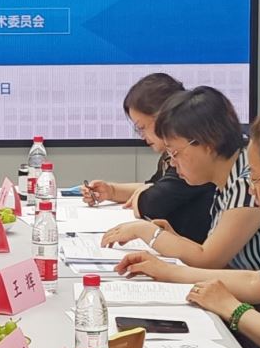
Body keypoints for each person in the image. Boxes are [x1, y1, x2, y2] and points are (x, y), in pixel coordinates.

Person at [112, 106, 260, 348]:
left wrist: (231, 307)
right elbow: (258, 281)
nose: (251, 189)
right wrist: (167, 271)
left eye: (256, 178)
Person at [99, 85, 260, 271]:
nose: (172, 163)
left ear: (208, 143)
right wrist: (173, 239)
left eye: (175, 153)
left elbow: (209, 260)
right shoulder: (225, 180)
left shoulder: (248, 183)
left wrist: (145, 230)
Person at [82, 72, 217, 244]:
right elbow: (154, 186)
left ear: (165, 117)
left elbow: (152, 202)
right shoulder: (171, 156)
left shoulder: (191, 156)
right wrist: (112, 191)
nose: (141, 136)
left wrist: (145, 196)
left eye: (142, 127)